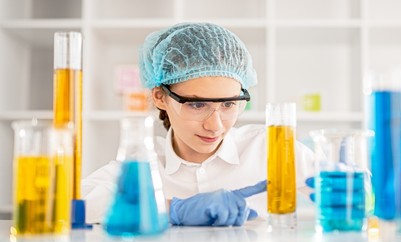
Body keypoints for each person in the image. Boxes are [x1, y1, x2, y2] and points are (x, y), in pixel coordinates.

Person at [82, 22, 314, 226]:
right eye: (197, 105)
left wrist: (345, 191)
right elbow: (71, 202)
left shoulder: (269, 147)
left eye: (229, 105)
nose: (215, 126)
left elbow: (340, 189)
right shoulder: (144, 162)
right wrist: (171, 208)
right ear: (160, 97)